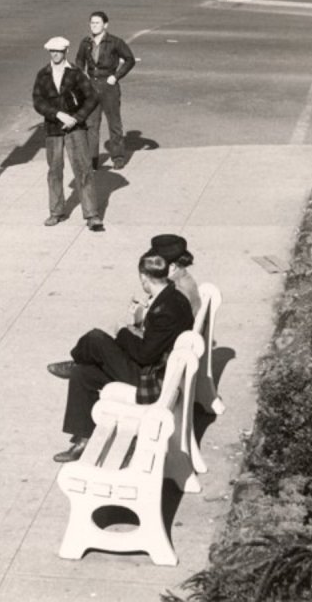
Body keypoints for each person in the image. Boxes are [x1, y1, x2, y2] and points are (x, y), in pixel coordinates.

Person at [48, 241, 196, 462]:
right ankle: (83, 440)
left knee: (96, 338)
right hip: (157, 370)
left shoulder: (165, 310)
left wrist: (124, 332)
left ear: (144, 279)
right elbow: (154, 344)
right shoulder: (171, 297)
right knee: (83, 374)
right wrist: (137, 325)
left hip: (149, 379)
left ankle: (75, 361)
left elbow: (145, 355)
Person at [32, 36, 101, 230]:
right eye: (52, 51)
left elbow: (92, 97)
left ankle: (92, 214)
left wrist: (77, 118)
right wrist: (57, 114)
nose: (55, 54)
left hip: (76, 129)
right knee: (54, 171)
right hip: (54, 129)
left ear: (66, 52)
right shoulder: (43, 74)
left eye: (59, 51)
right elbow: (38, 101)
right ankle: (56, 212)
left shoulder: (76, 73)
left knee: (84, 170)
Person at [75, 11, 136, 169]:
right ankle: (92, 160)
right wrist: (82, 76)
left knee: (114, 123)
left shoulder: (114, 42)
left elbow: (130, 59)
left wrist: (116, 76)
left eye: (97, 23)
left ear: (105, 25)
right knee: (91, 124)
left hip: (109, 86)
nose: (94, 26)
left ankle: (118, 157)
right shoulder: (86, 42)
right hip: (91, 86)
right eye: (92, 23)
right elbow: (79, 60)